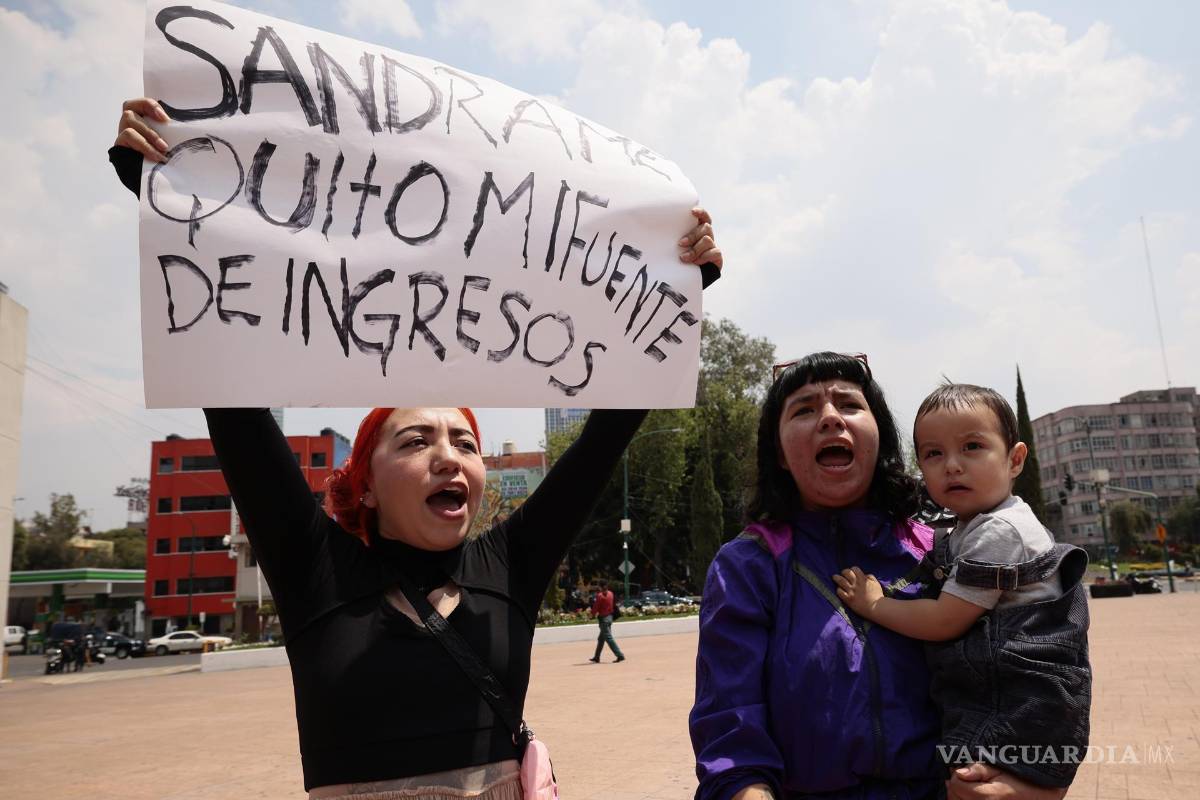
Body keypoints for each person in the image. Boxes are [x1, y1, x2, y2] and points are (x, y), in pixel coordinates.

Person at [110, 97, 721, 799]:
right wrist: (166, 195)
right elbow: (233, 398)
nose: (449, 453)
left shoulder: (512, 563)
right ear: (363, 482)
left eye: (464, 440)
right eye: (416, 439)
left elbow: (608, 432)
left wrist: (679, 288)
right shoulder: (315, 570)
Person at [689, 352, 1068, 800]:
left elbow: (1046, 665)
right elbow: (730, 727)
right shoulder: (748, 565)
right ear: (781, 455)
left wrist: (1038, 784)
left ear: (881, 440)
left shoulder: (944, 549)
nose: (830, 417)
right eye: (805, 409)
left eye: (849, 404)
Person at [834, 384, 1090, 790]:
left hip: (1013, 714)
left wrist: (874, 605)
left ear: (1015, 459)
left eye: (972, 446)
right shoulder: (971, 527)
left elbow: (944, 622)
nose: (952, 465)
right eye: (933, 454)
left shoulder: (1001, 530)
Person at [588, 579, 625, 663]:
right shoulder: (611, 593)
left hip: (603, 619)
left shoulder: (600, 595)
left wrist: (591, 615)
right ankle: (597, 657)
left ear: (600, 586)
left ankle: (620, 655)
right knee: (601, 639)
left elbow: (596, 607)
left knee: (609, 638)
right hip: (610, 618)